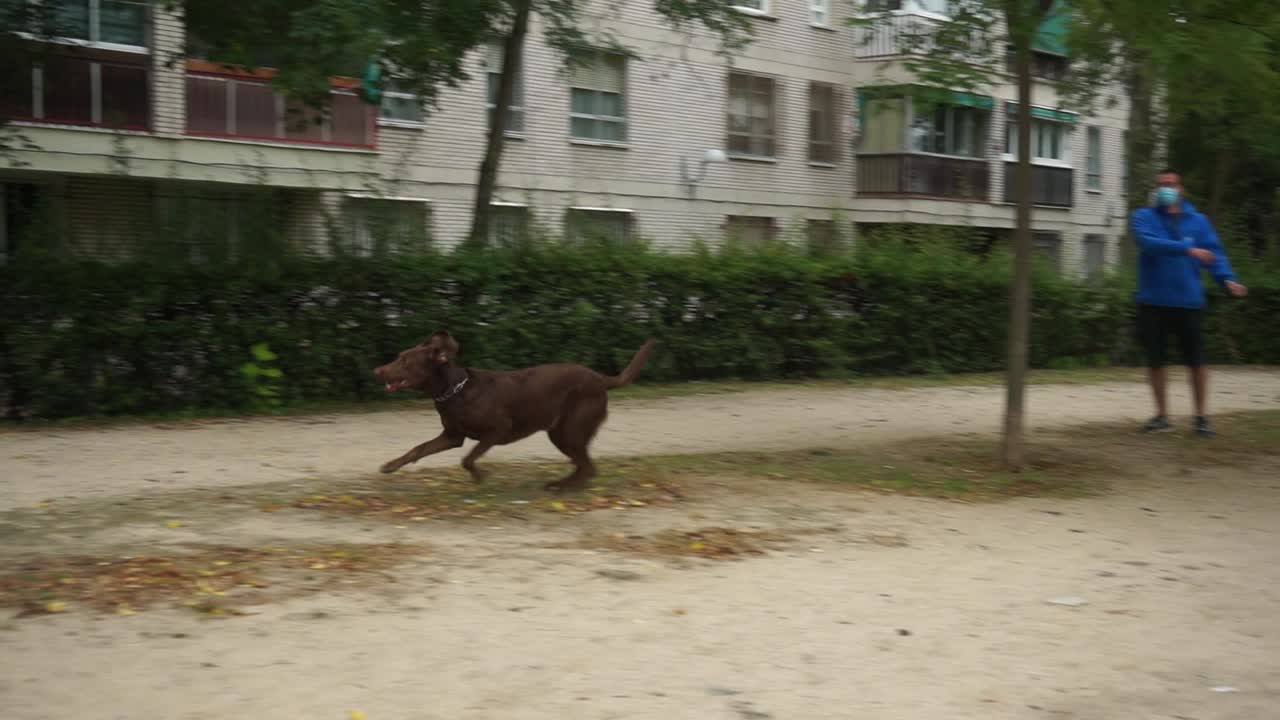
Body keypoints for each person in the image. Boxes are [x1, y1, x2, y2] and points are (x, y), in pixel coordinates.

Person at [1129, 168, 1247, 437]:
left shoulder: (1199, 221)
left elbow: (1214, 254)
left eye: (1171, 184)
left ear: (1182, 189)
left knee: (1197, 361)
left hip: (1188, 302)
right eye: (1160, 184)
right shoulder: (1142, 217)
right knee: (1156, 361)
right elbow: (1148, 243)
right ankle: (1161, 416)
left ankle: (1201, 418)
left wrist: (1227, 279)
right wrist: (1186, 249)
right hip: (1153, 301)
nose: (1165, 189)